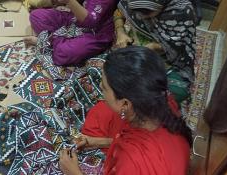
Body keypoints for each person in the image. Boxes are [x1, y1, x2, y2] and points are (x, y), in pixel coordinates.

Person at [59, 46, 192, 174]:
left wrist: (73, 172)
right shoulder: (164, 102)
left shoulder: (130, 161)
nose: (99, 86)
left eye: (104, 87)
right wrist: (96, 142)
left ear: (125, 104)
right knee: (100, 112)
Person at [113, 0, 197, 104]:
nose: (140, 17)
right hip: (135, 50)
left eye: (146, 12)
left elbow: (178, 45)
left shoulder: (182, 11)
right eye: (137, 11)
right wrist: (120, 31)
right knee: (111, 77)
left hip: (169, 61)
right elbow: (119, 11)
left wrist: (155, 47)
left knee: (168, 95)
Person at [25, 0, 118, 66]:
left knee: (65, 52)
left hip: (96, 32)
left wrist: (70, 2)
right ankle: (52, 42)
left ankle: (46, 43)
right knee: (36, 16)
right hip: (75, 18)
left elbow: (90, 22)